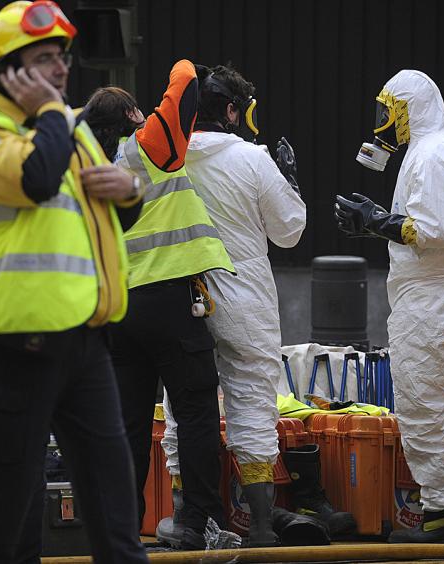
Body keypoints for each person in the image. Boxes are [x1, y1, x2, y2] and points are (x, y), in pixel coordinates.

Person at [0, 2, 147, 562]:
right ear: (6, 70)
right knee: (7, 499)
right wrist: (52, 115)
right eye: (43, 58)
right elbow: (38, 179)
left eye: (62, 57)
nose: (61, 68)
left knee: (114, 500)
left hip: (85, 339)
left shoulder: (64, 124)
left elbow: (113, 215)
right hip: (20, 342)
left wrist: (128, 188)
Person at [335, 69, 444, 543]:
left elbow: (434, 231)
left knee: (422, 410)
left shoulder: (432, 155)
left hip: (432, 299)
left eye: (390, 112)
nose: (384, 123)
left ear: (411, 109)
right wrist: (377, 220)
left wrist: (375, 222)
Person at [83, 60, 236, 550]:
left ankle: (120, 532)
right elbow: (185, 82)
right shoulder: (150, 145)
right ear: (132, 115)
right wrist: (189, 64)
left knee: (126, 423)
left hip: (118, 311)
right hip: (169, 301)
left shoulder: (89, 168)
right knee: (193, 412)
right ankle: (198, 523)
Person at [157, 64, 308, 547]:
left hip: (186, 294)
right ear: (229, 111)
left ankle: (187, 519)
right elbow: (289, 231)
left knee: (183, 406)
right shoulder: (252, 158)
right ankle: (261, 526)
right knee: (253, 404)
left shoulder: (169, 156)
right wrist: (290, 179)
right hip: (246, 295)